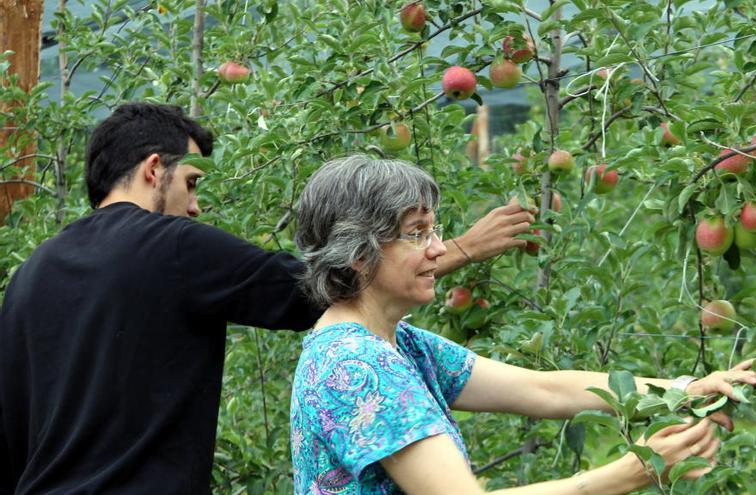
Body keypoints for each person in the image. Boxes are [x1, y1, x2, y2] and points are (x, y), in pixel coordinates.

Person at [0, 103, 535, 495]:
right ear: (153, 169)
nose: (194, 206)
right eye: (191, 182)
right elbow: (323, 285)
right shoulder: (174, 248)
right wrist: (458, 249)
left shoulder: (29, 277)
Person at [290, 155, 756, 495]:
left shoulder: (398, 345)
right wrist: (630, 472)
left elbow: (544, 391)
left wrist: (683, 390)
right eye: (416, 233)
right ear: (357, 253)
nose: (438, 248)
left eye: (433, 229)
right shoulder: (357, 368)